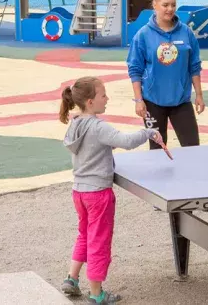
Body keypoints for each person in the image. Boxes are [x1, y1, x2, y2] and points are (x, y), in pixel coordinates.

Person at [58, 76, 165, 304]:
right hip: (98, 194)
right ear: (89, 102)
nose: (107, 98)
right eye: (103, 95)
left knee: (85, 234)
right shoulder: (98, 126)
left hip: (79, 191)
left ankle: (72, 278)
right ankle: (97, 294)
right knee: (99, 241)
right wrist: (149, 132)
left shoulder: (75, 124)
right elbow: (125, 141)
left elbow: (98, 145)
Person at [126, 0, 204, 150]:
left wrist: (198, 95)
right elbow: (135, 69)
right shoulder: (143, 35)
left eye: (173, 5)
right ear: (155, 5)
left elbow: (194, 65)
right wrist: (139, 100)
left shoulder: (186, 32)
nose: (170, 9)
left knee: (193, 147)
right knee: (157, 149)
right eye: (165, 5)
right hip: (152, 102)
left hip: (181, 100)